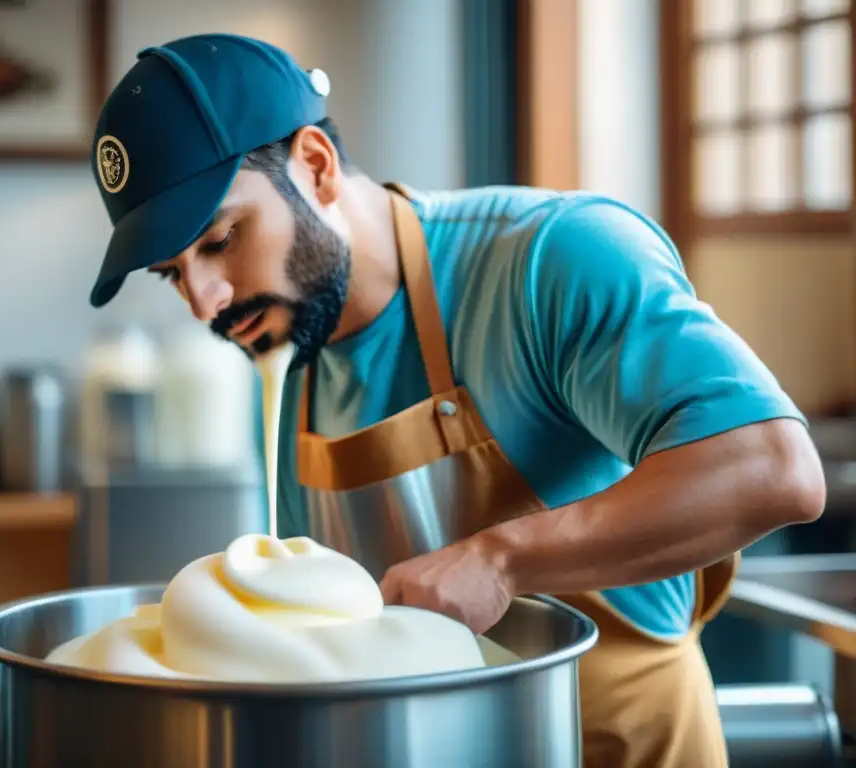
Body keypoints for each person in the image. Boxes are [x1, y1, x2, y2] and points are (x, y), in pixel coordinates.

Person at [87, 33, 827, 767]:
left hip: (621, 743)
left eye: (220, 240)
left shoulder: (552, 257)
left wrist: (502, 558)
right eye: (171, 274)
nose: (203, 301)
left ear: (315, 167)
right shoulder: (289, 358)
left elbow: (772, 469)